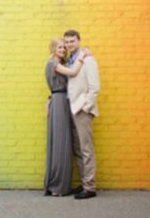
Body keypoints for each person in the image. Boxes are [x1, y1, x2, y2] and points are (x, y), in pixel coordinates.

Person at [43, 38, 89, 197]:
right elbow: (73, 72)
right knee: (60, 143)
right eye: (60, 47)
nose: (63, 49)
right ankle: (57, 186)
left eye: (64, 47)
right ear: (53, 49)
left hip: (61, 101)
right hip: (59, 101)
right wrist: (83, 56)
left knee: (63, 143)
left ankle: (61, 185)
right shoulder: (53, 64)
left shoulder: (59, 63)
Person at [64, 29, 100, 200]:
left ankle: (90, 187)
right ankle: (85, 182)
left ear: (78, 41)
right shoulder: (71, 60)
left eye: (72, 41)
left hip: (82, 110)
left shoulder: (88, 60)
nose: (69, 44)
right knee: (78, 148)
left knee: (86, 149)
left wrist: (86, 107)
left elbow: (95, 87)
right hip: (72, 108)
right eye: (67, 42)